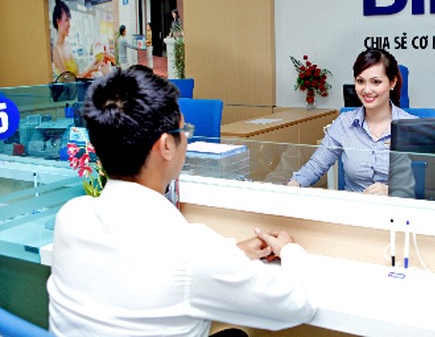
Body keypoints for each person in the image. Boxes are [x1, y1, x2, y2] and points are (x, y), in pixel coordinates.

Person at [47, 66, 316, 336]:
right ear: (166, 146)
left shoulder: (71, 218)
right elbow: (299, 305)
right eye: (183, 130)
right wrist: (290, 252)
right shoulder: (193, 249)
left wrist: (231, 254)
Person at [288, 48, 416, 195]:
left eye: (376, 82)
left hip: (396, 207)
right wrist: (293, 184)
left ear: (392, 82)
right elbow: (316, 165)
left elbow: (429, 184)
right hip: (354, 206)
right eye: (360, 81)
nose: (367, 90)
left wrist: (393, 191)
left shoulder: (412, 127)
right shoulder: (344, 122)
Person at [51, 0, 105, 79]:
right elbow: (68, 80)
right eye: (66, 20)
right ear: (58, 22)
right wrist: (89, 71)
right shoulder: (56, 50)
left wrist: (89, 72)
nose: (69, 25)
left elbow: (76, 76)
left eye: (69, 20)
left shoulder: (68, 45)